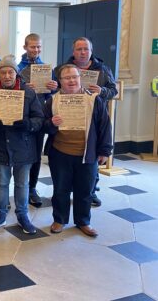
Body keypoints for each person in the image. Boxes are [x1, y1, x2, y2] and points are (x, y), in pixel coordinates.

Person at [0, 55, 44, 234]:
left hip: (24, 146)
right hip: (0, 145)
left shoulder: (28, 92)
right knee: (1, 183)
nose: (7, 76)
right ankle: (0, 214)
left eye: (10, 72)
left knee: (22, 184)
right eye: (3, 72)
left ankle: (22, 215)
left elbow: (39, 118)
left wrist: (28, 124)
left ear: (16, 73)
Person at [43, 64, 112, 237]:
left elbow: (104, 126)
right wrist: (51, 123)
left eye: (75, 77)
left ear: (80, 78)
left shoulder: (94, 100)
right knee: (61, 189)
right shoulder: (53, 100)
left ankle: (83, 221)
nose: (72, 81)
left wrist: (105, 151)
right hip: (60, 153)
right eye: (67, 78)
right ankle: (59, 219)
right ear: (60, 81)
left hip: (87, 154)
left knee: (85, 190)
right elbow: (42, 125)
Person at [56, 36, 117, 207]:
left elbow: (113, 90)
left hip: (93, 119)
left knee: (91, 160)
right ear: (73, 51)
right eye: (79, 49)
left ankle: (91, 191)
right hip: (68, 121)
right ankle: (68, 194)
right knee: (68, 167)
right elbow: (55, 89)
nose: (83, 52)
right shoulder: (62, 68)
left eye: (86, 49)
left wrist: (102, 91)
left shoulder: (103, 69)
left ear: (91, 51)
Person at [17, 33, 58, 208]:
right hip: (22, 118)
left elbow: (50, 96)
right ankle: (20, 189)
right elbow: (11, 92)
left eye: (39, 46)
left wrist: (54, 88)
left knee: (36, 155)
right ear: (25, 47)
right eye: (33, 46)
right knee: (21, 155)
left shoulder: (46, 69)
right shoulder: (17, 68)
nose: (36, 50)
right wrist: (23, 88)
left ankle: (32, 188)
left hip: (39, 117)